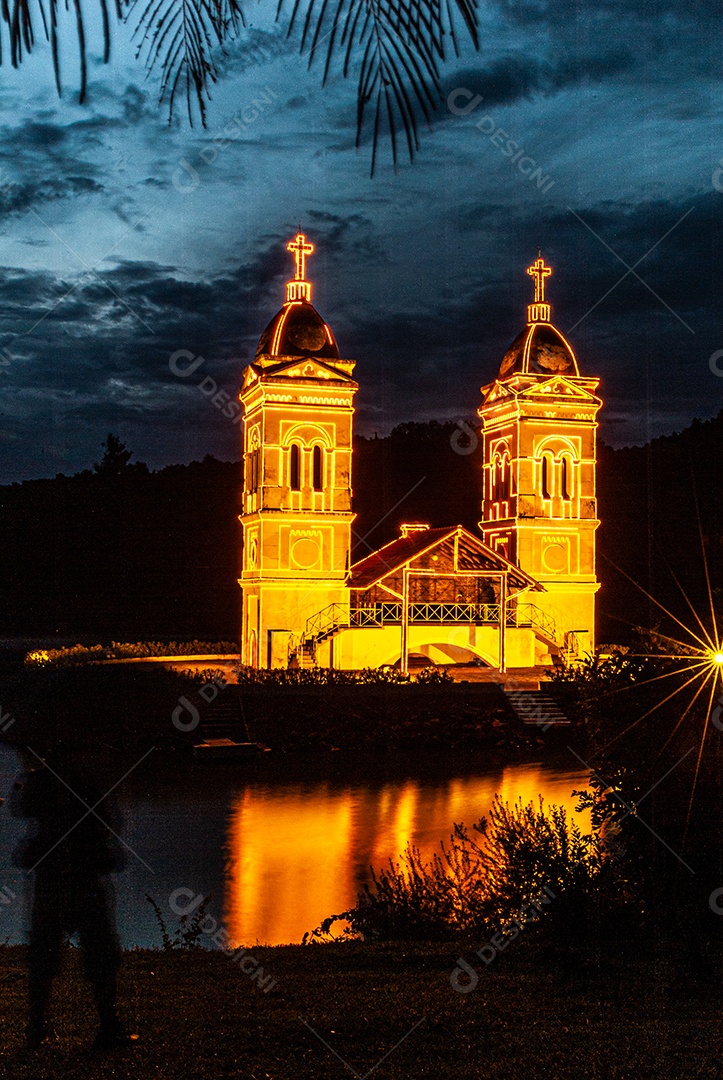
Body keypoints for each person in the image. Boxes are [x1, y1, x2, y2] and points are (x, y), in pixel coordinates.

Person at [10, 742, 137, 1051]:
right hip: (82, 877)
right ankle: (106, 1026)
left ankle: (37, 1030)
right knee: (96, 952)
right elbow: (106, 822)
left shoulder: (43, 780)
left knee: (47, 953)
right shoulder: (83, 780)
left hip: (56, 877)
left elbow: (20, 808)